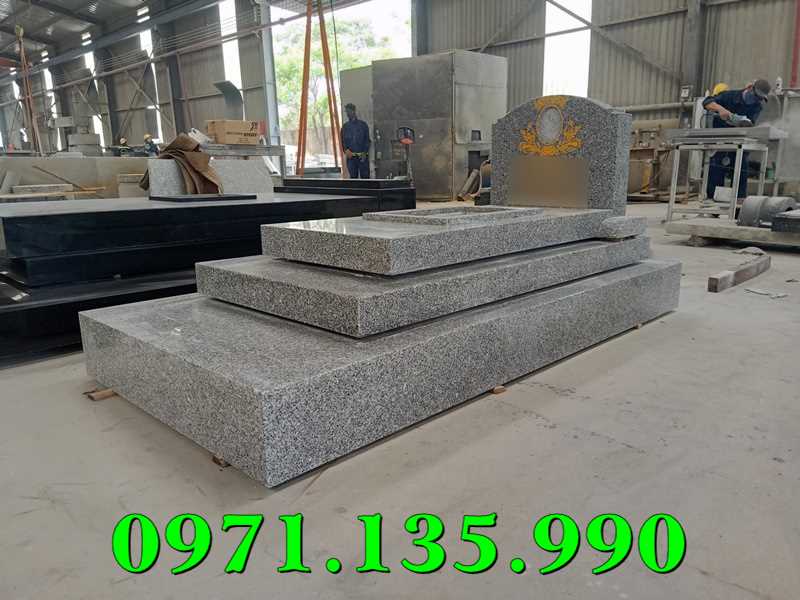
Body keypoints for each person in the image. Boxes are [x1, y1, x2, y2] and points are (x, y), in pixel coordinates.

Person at [702, 79, 771, 200]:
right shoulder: (729, 96)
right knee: (715, 177)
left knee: (740, 177)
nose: (757, 100)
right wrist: (721, 109)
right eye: (756, 97)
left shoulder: (757, 107)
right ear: (749, 88)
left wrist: (740, 122)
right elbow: (706, 102)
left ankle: (738, 205)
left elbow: (749, 124)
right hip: (720, 144)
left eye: (760, 99)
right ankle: (713, 203)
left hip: (739, 146)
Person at [340, 103, 370, 179]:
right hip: (351, 158)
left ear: (353, 111)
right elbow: (343, 141)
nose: (347, 114)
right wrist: (346, 150)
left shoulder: (363, 125)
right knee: (353, 180)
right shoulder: (345, 127)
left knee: (365, 179)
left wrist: (365, 153)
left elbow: (367, 140)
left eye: (349, 111)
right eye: (346, 112)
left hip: (362, 157)